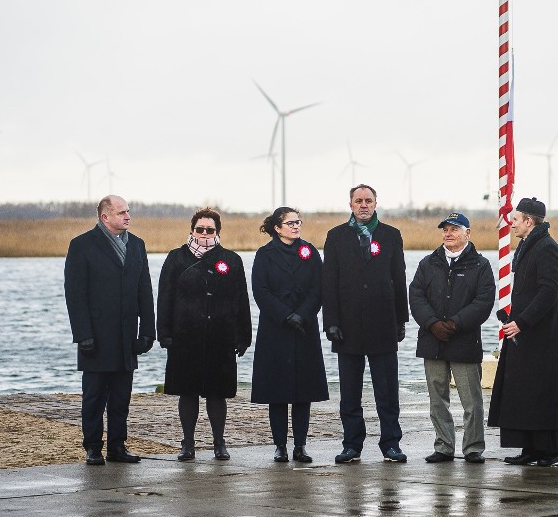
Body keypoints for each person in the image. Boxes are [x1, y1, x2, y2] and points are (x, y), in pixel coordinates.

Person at [487, 197, 558, 466]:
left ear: (529, 221)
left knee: (543, 392)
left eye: (515, 220)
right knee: (523, 391)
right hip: (523, 333)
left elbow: (548, 292)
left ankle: (552, 448)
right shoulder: (529, 245)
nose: (511, 224)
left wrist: (522, 322)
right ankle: (530, 447)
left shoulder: (547, 248)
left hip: (542, 336)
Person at [64, 195, 155, 466]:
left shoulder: (137, 245)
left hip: (127, 335)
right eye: (121, 212)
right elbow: (75, 293)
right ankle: (93, 447)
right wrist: (83, 335)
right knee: (93, 397)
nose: (128, 216)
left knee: (121, 397)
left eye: (128, 211)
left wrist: (148, 331)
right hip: (95, 336)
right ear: (105, 217)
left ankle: (117, 446)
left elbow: (145, 290)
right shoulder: (81, 245)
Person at [156, 207, 252, 462]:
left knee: (217, 394)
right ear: (192, 230)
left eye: (210, 230)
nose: (205, 234)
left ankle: (219, 443)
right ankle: (187, 444)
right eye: (200, 229)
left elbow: (242, 299)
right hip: (184, 338)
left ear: (217, 231)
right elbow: (164, 298)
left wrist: (244, 336)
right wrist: (164, 334)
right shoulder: (176, 258)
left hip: (221, 338)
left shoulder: (231, 259)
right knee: (187, 393)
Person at [322, 184, 409, 463]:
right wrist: (331, 322)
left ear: (375, 203)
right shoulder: (336, 236)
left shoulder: (391, 235)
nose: (363, 205)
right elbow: (329, 282)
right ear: (350, 204)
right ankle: (352, 445)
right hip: (347, 328)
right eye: (358, 201)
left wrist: (401, 319)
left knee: (387, 391)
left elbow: (399, 278)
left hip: (383, 324)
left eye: (368, 201)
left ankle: (391, 443)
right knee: (350, 393)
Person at [409, 212, 495, 464]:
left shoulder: (480, 265)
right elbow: (416, 296)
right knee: (437, 399)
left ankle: (473, 448)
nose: (448, 233)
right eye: (445, 229)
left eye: (454, 229)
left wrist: (456, 323)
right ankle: (444, 446)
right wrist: (432, 323)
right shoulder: (428, 263)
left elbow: (483, 301)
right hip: (432, 340)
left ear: (467, 233)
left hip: (464, 341)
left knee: (472, 400)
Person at [251, 207, 329, 463]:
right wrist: (285, 315)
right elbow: (260, 291)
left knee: (302, 392)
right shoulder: (265, 255)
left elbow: (319, 288)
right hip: (276, 329)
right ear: (277, 227)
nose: (296, 226)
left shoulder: (309, 251)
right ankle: (280, 446)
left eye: (299, 222)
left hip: (304, 328)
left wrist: (302, 315)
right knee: (278, 391)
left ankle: (300, 445)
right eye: (291, 223)